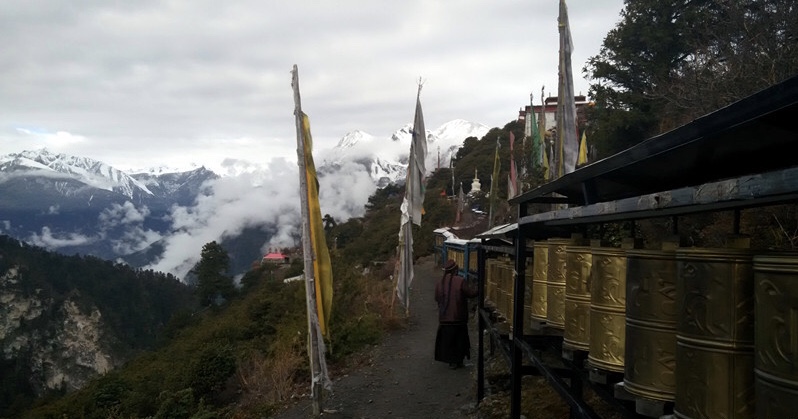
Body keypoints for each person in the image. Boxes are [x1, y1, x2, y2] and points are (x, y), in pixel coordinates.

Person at [434, 259, 478, 369]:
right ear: (455, 270)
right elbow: (470, 293)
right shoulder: (460, 281)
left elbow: (437, 298)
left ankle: (451, 361)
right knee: (459, 340)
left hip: (444, 318)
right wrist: (479, 287)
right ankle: (458, 361)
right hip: (458, 317)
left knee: (449, 341)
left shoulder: (440, 283)